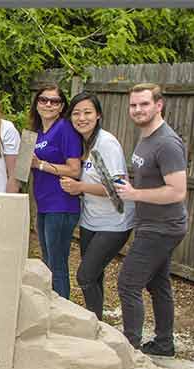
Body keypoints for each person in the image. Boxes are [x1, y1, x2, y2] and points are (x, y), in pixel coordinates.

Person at [115, 83, 188, 357]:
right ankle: (164, 344)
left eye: (144, 104)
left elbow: (177, 191)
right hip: (151, 223)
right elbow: (153, 178)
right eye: (133, 105)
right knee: (158, 284)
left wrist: (135, 194)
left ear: (159, 105)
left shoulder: (166, 143)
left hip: (162, 227)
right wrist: (128, 186)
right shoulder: (147, 137)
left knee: (128, 284)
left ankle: (129, 350)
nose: (137, 110)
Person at [59, 92, 135, 320]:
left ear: (98, 115)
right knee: (95, 276)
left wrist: (80, 187)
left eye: (87, 112)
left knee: (85, 276)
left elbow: (116, 189)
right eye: (76, 113)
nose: (81, 118)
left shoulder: (106, 144)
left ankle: (94, 324)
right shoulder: (84, 143)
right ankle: (97, 324)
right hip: (91, 220)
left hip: (114, 222)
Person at [28, 82, 83, 299]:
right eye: (43, 100)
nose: (48, 104)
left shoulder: (65, 129)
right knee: (47, 261)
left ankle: (62, 312)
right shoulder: (38, 132)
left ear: (61, 107)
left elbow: (74, 169)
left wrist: (40, 164)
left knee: (57, 264)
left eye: (55, 101)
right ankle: (51, 307)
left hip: (61, 205)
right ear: (37, 103)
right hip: (44, 204)